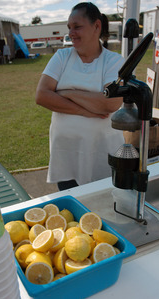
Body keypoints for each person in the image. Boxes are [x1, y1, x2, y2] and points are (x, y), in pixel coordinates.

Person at [35, 2, 125, 191]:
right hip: (67, 155)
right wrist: (84, 110)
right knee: (73, 214)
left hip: (102, 153)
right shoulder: (61, 57)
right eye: (69, 27)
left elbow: (111, 102)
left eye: (77, 27)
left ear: (97, 26)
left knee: (104, 206)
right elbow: (42, 95)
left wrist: (66, 92)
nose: (71, 33)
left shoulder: (114, 61)